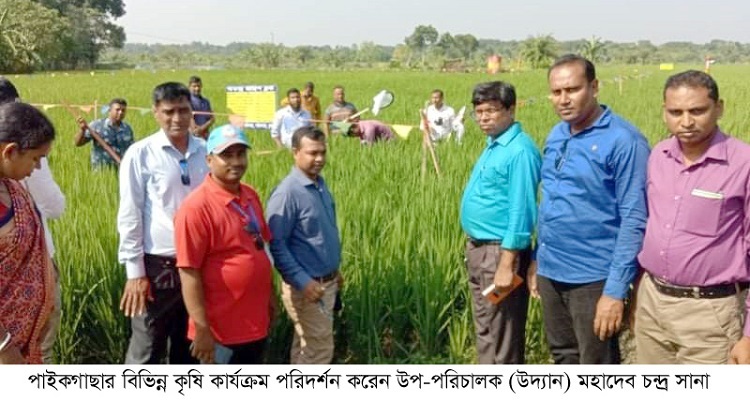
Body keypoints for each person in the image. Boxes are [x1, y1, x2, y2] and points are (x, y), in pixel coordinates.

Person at [530, 54, 650, 364]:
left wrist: (614, 291)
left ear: (594, 87)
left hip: (593, 277)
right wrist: (536, 260)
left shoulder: (624, 141)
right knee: (563, 356)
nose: (563, 100)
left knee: (596, 363)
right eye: (556, 92)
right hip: (551, 270)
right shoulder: (557, 134)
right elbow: (551, 204)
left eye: (573, 89)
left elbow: (634, 218)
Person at [635, 70, 750, 364]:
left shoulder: (743, 164)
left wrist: (748, 336)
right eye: (676, 112)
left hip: (710, 315)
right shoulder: (658, 156)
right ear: (664, 112)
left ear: (719, 107)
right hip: (652, 304)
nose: (686, 122)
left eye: (697, 111)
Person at [118, 82, 209, 364]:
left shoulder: (206, 151)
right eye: (169, 111)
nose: (177, 118)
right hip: (158, 266)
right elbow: (130, 214)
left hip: (198, 264)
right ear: (156, 112)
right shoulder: (140, 153)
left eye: (183, 110)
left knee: (191, 345)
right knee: (147, 347)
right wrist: (135, 273)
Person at [175, 124, 275, 364]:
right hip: (220, 332)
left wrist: (270, 298)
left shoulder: (250, 195)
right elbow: (189, 273)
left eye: (241, 154)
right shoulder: (196, 208)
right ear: (209, 160)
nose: (236, 161)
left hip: (254, 322)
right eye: (226, 155)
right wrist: (202, 330)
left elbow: (260, 247)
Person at [459, 81, 541, 364]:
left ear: (511, 109)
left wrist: (507, 264)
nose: (483, 118)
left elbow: (522, 211)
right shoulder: (494, 144)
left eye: (491, 111)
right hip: (480, 251)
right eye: (478, 112)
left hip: (499, 255)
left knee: (503, 333)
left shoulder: (519, 151)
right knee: (486, 328)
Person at [1, 78, 67, 364]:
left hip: (27, 347)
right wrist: (4, 347)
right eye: (36, 159)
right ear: (10, 151)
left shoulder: (14, 189)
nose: (38, 168)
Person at [267, 126, 342, 364]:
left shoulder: (319, 184)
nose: (319, 159)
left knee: (305, 347)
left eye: (322, 152)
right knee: (319, 352)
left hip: (324, 282)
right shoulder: (287, 193)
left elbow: (320, 233)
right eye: (312, 153)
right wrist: (303, 281)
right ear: (295, 152)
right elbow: (277, 245)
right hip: (308, 289)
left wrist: (334, 270)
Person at [74, 98, 134, 169]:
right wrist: (82, 130)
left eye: (123, 110)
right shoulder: (97, 125)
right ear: (109, 110)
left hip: (120, 170)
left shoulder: (127, 128)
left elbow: (131, 150)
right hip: (101, 172)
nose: (120, 112)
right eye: (117, 110)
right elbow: (78, 143)